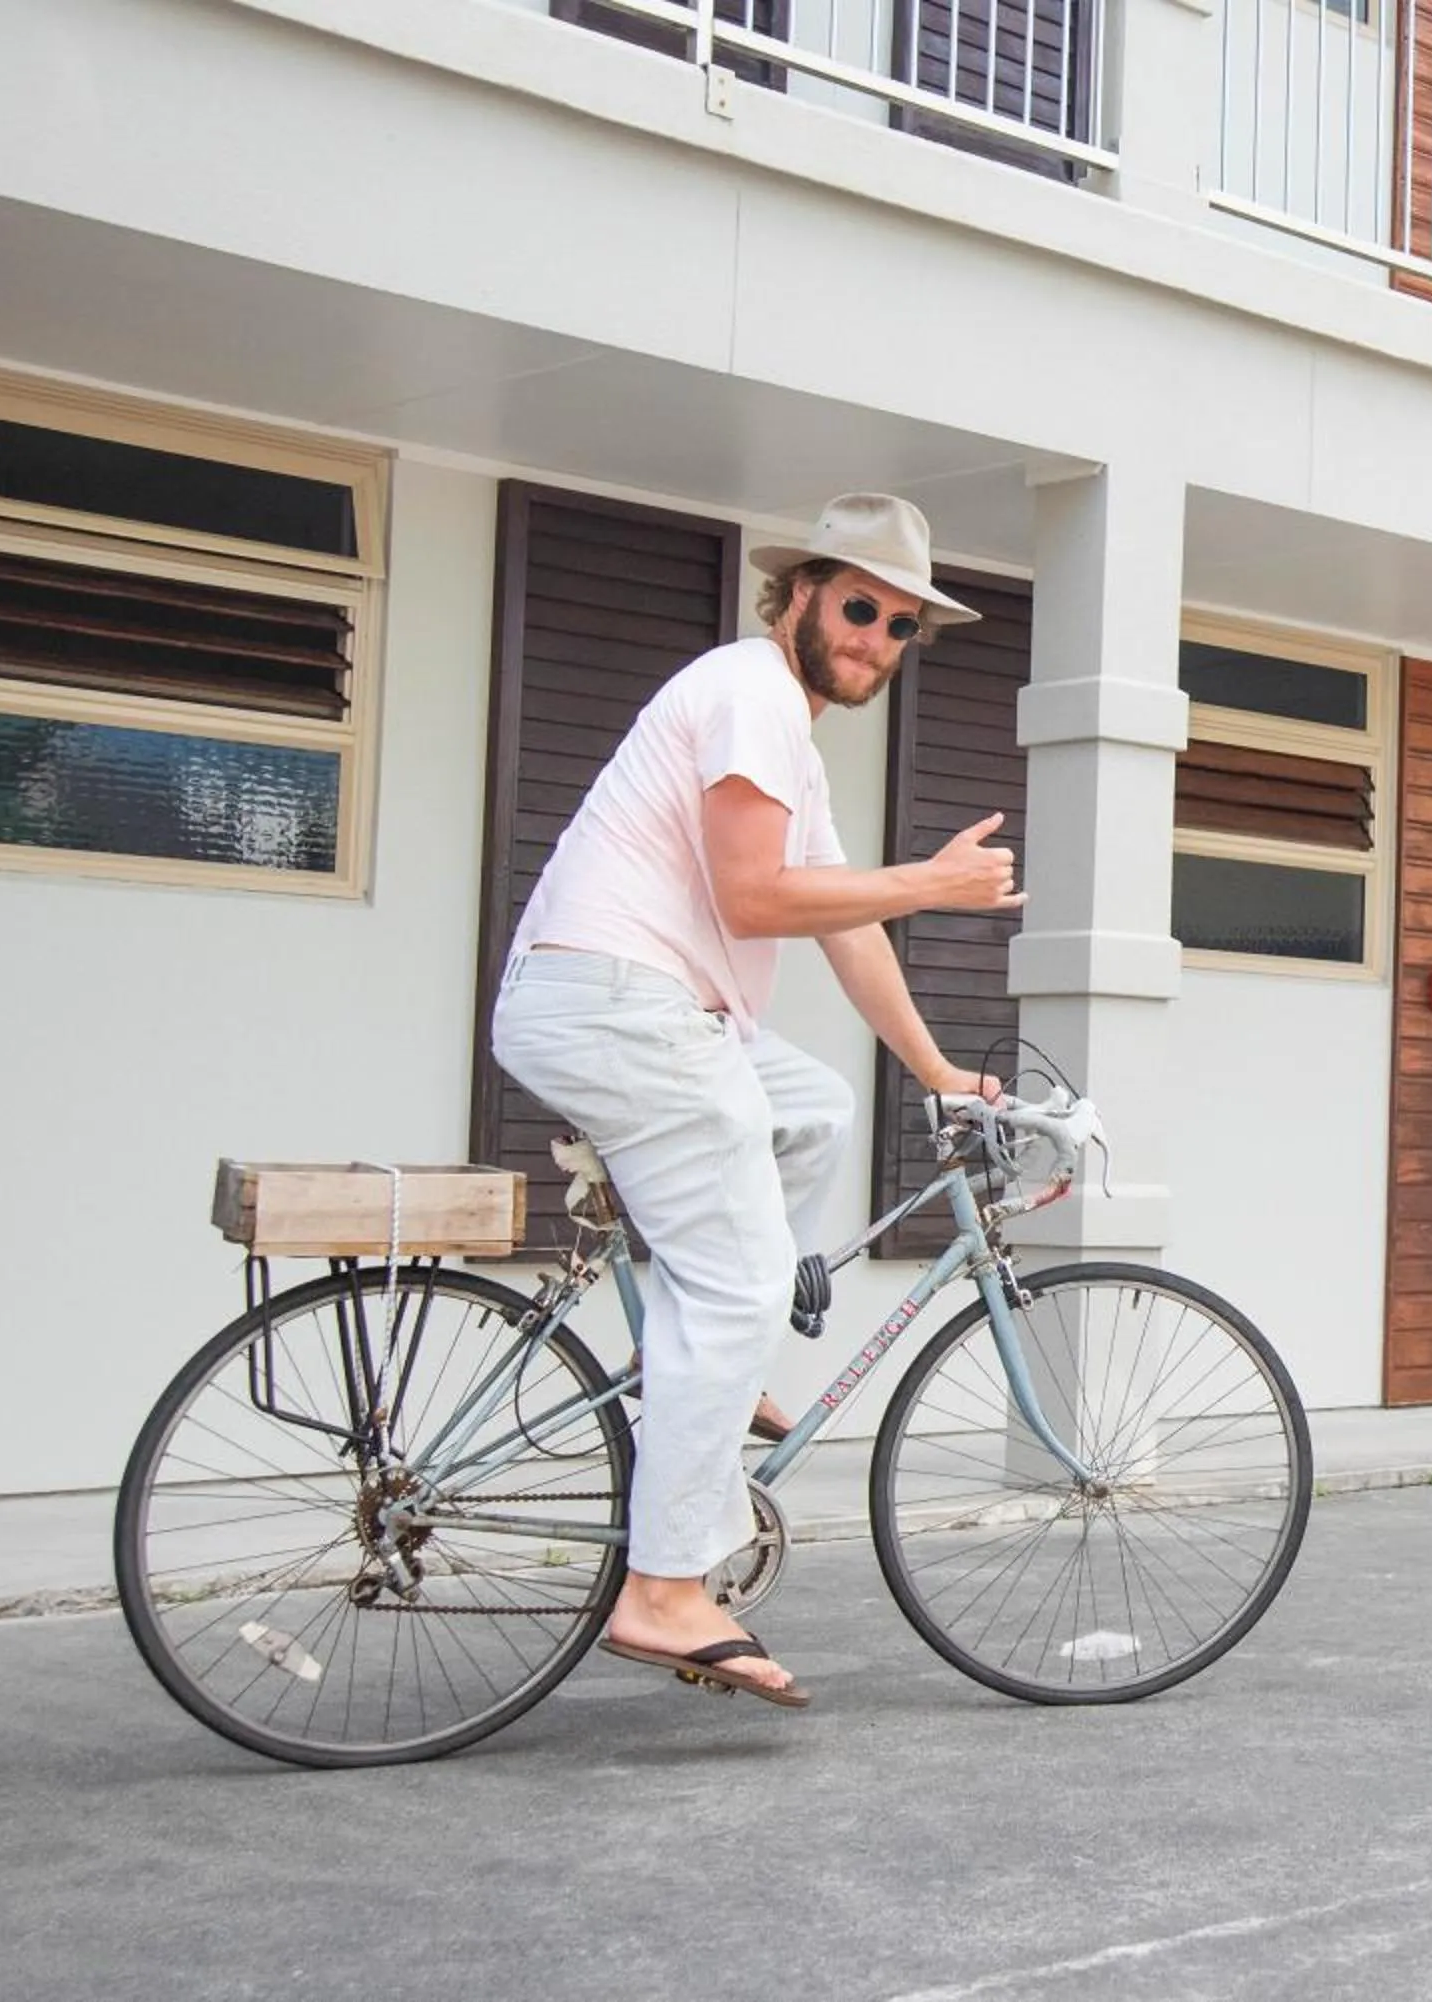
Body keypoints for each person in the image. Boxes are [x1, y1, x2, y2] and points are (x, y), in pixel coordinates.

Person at [491, 493, 1022, 1707]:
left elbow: (842, 918)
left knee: (817, 1104)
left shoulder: (785, 725)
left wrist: (936, 1071)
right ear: (796, 596)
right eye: (857, 605)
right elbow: (752, 898)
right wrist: (935, 881)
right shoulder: (750, 689)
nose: (875, 636)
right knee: (738, 1287)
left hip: (655, 1012)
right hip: (623, 1007)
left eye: (898, 625)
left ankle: (702, 1369)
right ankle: (665, 1586)